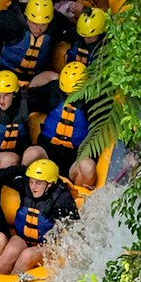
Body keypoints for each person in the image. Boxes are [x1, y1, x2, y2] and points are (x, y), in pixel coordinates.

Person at [0, 157, 79, 274]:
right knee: (10, 251)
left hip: (46, 246)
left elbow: (74, 228)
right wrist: (24, 169)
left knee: (26, 256)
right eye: (31, 181)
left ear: (49, 184)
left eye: (38, 183)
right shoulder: (25, 186)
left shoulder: (62, 199)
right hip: (22, 237)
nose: (33, 187)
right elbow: (1, 176)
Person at [23, 61, 97, 189]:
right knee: (31, 153)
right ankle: (26, 191)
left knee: (88, 167)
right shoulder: (53, 90)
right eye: (65, 92)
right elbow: (28, 98)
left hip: (75, 157)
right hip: (47, 151)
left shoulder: (95, 99)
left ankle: (76, 195)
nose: (68, 95)